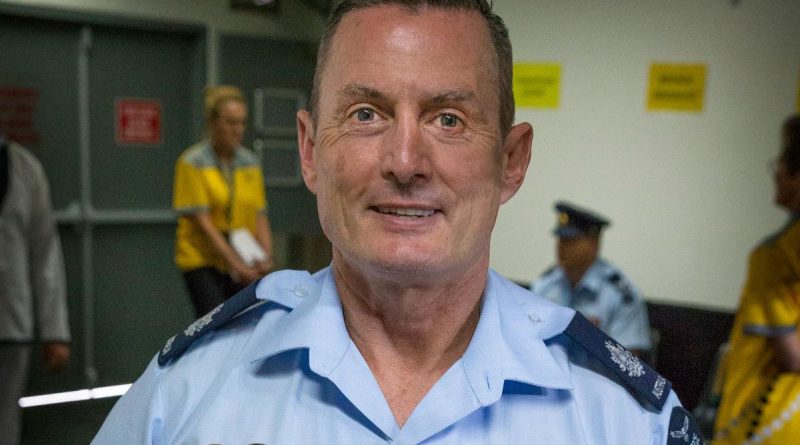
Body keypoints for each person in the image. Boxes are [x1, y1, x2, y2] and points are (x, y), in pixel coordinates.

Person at [93, 1, 700, 443]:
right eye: (365, 113)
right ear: (309, 150)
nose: (405, 162)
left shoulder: (625, 419)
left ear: (511, 162)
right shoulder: (186, 395)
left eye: (449, 119)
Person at [712, 113, 800, 445]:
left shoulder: (776, 254)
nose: (775, 173)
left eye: (782, 163)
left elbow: (791, 355)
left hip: (766, 420)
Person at [172, 85, 276, 318]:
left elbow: (260, 212)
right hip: (204, 259)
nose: (238, 130)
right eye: (231, 123)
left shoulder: (249, 161)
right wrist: (236, 265)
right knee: (215, 323)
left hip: (242, 252)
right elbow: (204, 223)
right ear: (213, 123)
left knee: (246, 322)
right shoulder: (192, 163)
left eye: (242, 123)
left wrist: (265, 256)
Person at [0, 134, 71, 445]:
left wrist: (55, 330)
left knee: (4, 421)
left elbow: (45, 254)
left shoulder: (24, 168)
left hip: (10, 319)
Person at [531, 201, 653, 357]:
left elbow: (628, 364)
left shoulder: (620, 296)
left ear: (594, 243)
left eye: (571, 241)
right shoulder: (546, 285)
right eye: (560, 240)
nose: (561, 247)